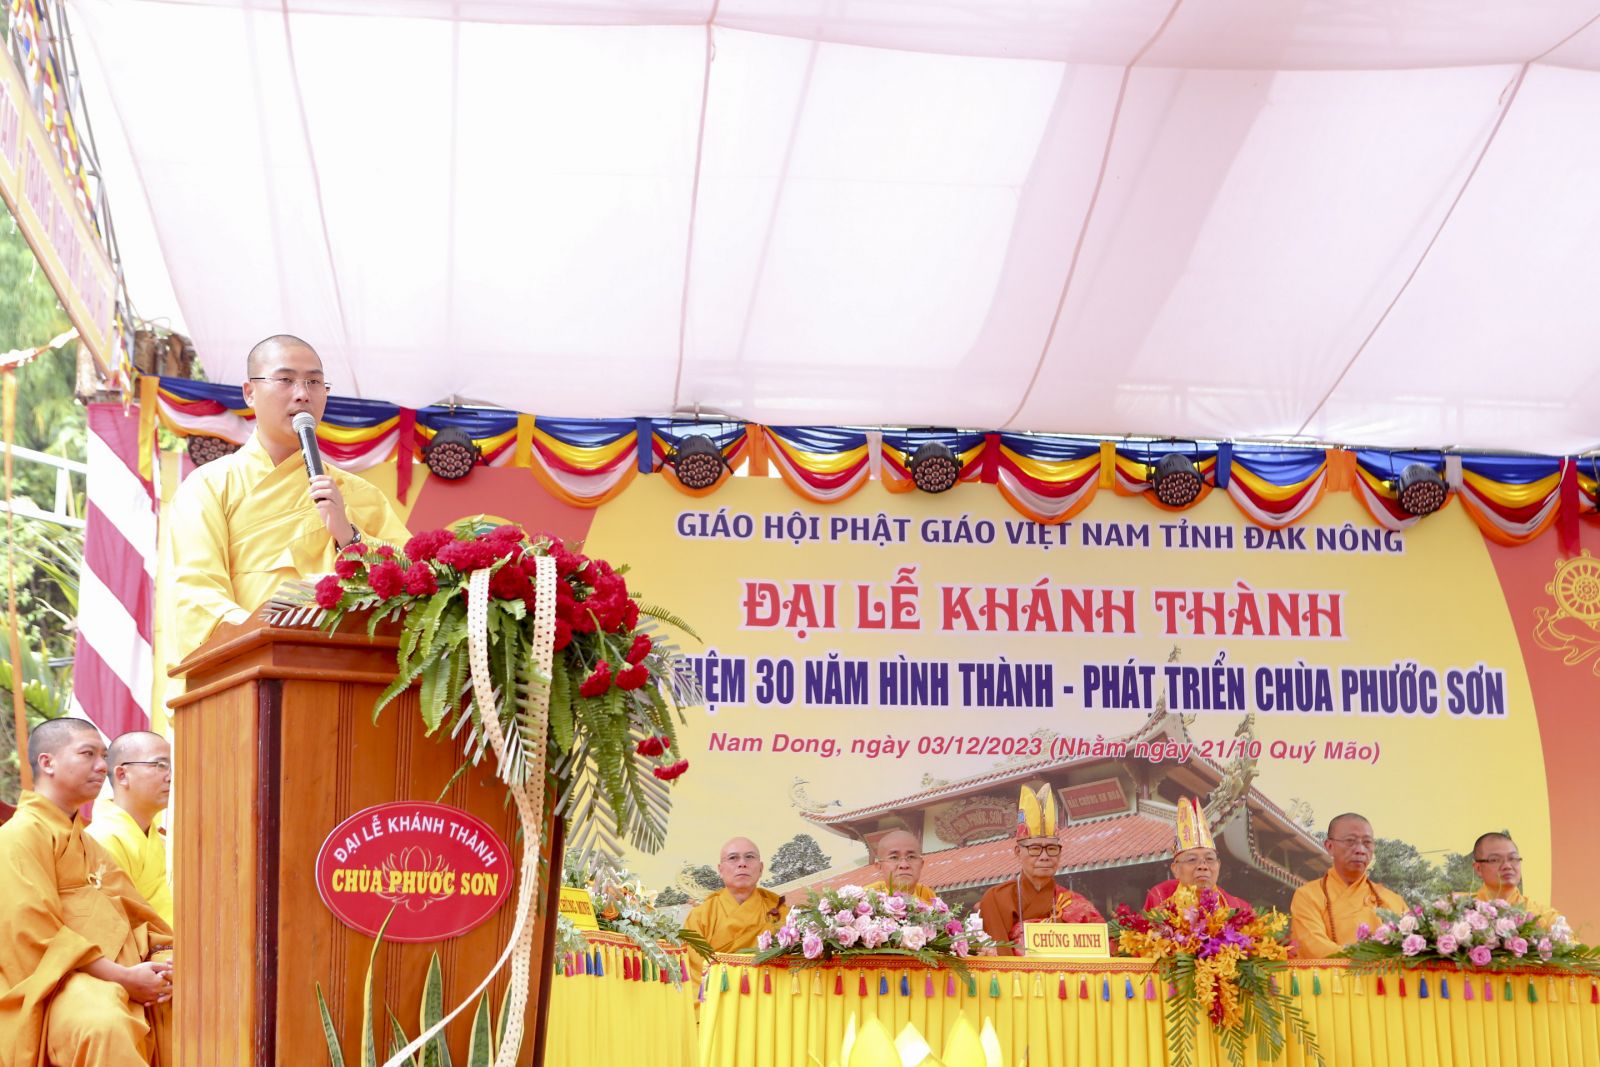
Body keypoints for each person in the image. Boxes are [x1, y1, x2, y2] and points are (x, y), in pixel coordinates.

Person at [165, 334, 412, 666]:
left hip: (343, 670)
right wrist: (265, 636)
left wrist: (349, 537)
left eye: (314, 382)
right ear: (249, 392)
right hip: (247, 668)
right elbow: (197, 593)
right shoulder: (209, 487)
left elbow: (413, 585)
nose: (302, 394)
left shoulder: (360, 495)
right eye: (285, 380)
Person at [0, 718, 174, 1065]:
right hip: (54, 983)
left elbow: (135, 913)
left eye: (104, 755)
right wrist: (123, 977)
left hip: (111, 972)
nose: (101, 766)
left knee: (184, 995)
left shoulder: (85, 842)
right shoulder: (18, 836)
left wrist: (163, 958)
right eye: (88, 754)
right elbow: (33, 936)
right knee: (104, 1022)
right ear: (47, 762)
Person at [976, 786, 1103, 955]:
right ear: (1018, 852)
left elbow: (1102, 949)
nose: (1044, 856)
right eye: (1035, 848)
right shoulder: (997, 899)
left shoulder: (1073, 902)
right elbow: (999, 960)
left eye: (1052, 848)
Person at [85, 732, 174, 926]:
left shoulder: (159, 839)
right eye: (160, 765)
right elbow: (109, 925)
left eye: (172, 767)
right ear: (122, 775)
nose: (171, 777)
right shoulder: (101, 840)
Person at [1289, 812, 1403, 958]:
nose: (1360, 850)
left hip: (1384, 973)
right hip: (1334, 974)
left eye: (1367, 842)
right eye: (1350, 841)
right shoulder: (1308, 895)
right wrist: (1366, 962)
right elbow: (1314, 947)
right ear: (1330, 846)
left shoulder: (1393, 900)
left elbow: (1409, 950)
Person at [682, 837, 788, 977]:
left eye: (749, 857)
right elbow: (695, 971)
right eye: (733, 858)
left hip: (767, 988)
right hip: (717, 990)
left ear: (761, 868)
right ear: (720, 870)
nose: (742, 864)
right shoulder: (700, 916)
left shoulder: (780, 913)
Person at [1142, 797, 1250, 911]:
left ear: (1218, 865)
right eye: (1192, 859)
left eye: (1209, 858)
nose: (1203, 866)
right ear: (1176, 869)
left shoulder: (1239, 908)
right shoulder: (1159, 898)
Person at [1468, 832, 1558, 926]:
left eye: (1513, 858)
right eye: (1495, 860)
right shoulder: (1464, 913)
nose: (1507, 866)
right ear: (1478, 868)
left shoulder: (1545, 917)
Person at [863, 829, 937, 902]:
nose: (904, 865)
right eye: (894, 857)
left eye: (911, 857)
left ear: (921, 864)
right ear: (879, 866)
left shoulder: (929, 899)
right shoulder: (865, 900)